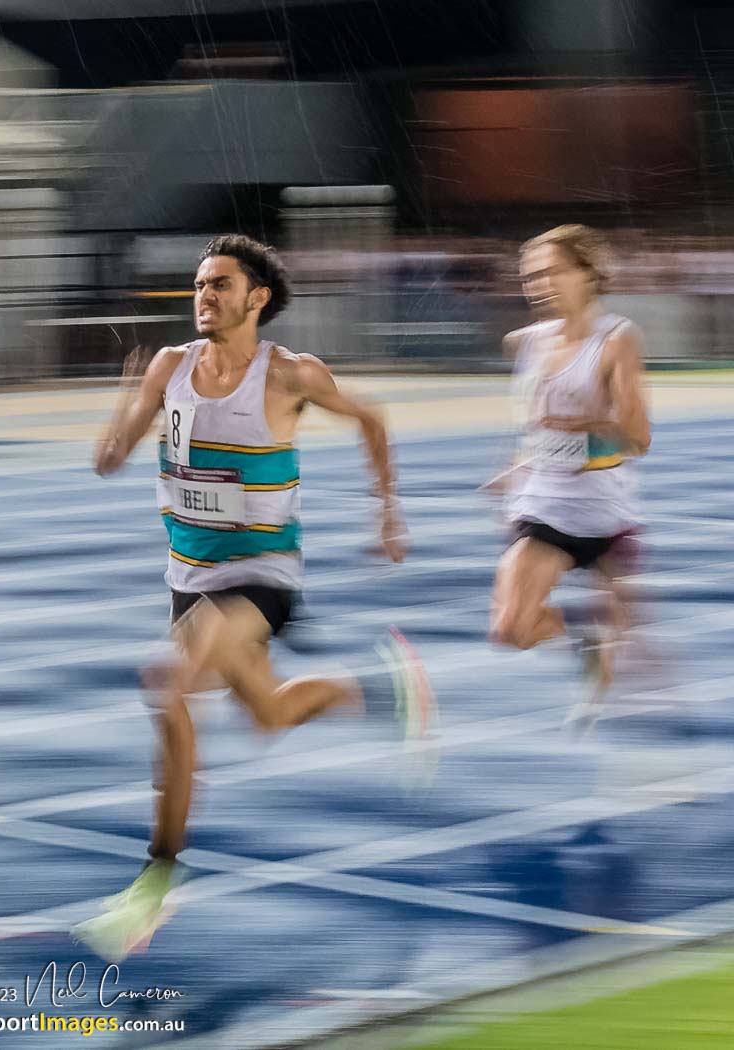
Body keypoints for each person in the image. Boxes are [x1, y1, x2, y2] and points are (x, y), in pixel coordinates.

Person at [75, 233, 433, 961]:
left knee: (166, 685)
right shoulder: (171, 368)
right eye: (199, 286)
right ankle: (380, 687)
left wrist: (386, 508)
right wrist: (125, 401)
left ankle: (154, 883)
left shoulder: (291, 375)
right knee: (266, 716)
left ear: (257, 298)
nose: (204, 297)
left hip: (261, 573)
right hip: (188, 578)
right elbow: (107, 462)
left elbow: (373, 418)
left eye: (219, 285)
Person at [489, 224, 650, 725]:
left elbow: (639, 438)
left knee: (640, 643)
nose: (540, 284)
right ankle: (586, 644)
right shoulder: (525, 343)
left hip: (602, 509)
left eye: (553, 271)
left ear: (588, 274)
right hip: (543, 505)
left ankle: (605, 642)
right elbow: (535, 430)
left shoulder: (616, 340)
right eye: (531, 276)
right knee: (510, 630)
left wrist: (583, 427)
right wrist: (516, 467)